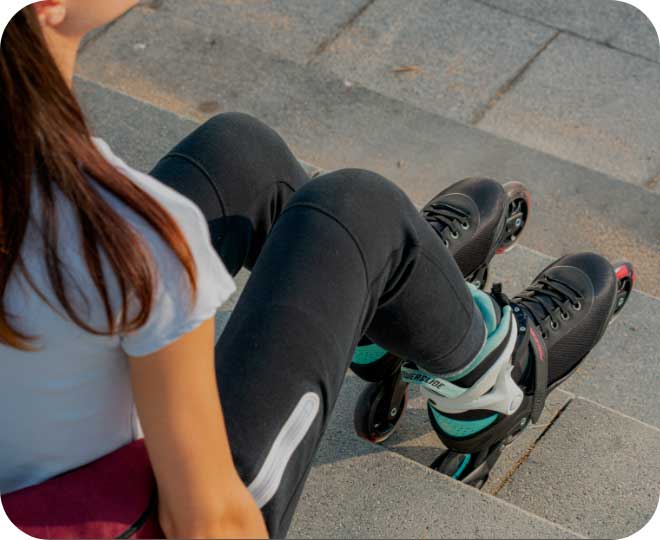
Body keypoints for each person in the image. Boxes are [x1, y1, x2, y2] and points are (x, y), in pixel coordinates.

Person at [0, 1, 625, 538]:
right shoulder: (130, 229)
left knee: (238, 153)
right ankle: (493, 385)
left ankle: (383, 309)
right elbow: (211, 524)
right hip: (141, 517)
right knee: (358, 207)